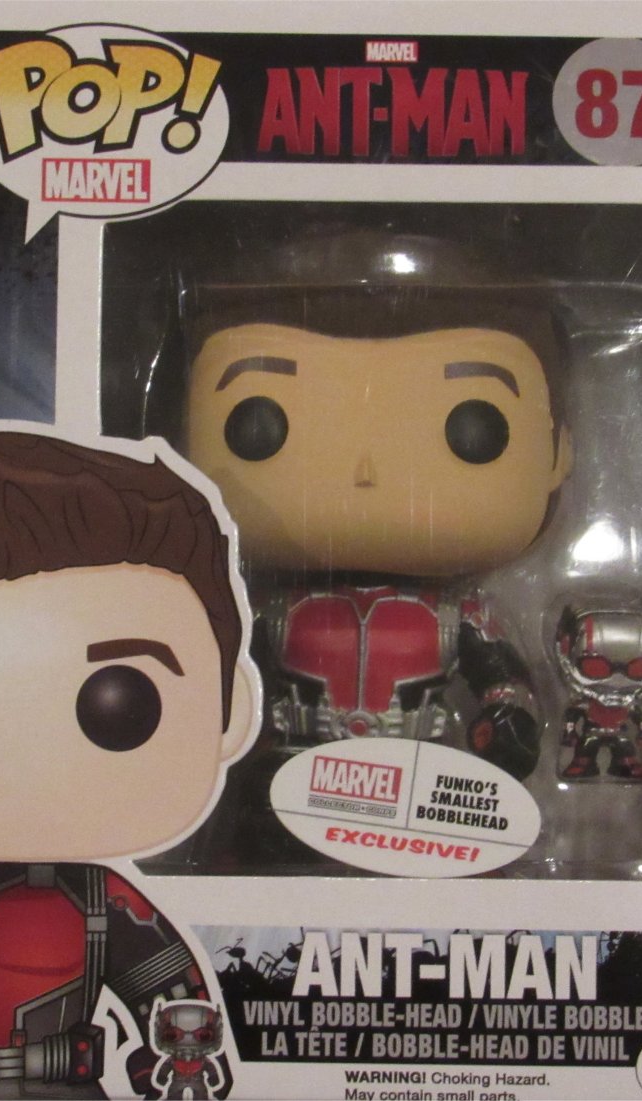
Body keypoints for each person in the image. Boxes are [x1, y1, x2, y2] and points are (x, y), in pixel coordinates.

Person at [179, 227, 571, 868]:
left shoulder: (460, 617)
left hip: (423, 773)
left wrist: (507, 723)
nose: (365, 470)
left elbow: (504, 681)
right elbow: (223, 680)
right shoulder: (270, 613)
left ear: (557, 455)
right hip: (296, 765)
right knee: (268, 860)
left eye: (474, 425)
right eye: (259, 423)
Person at [0, 424, 258, 1098]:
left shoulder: (102, 905)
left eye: (118, 703)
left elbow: (179, 1014)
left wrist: (184, 1070)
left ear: (231, 712)